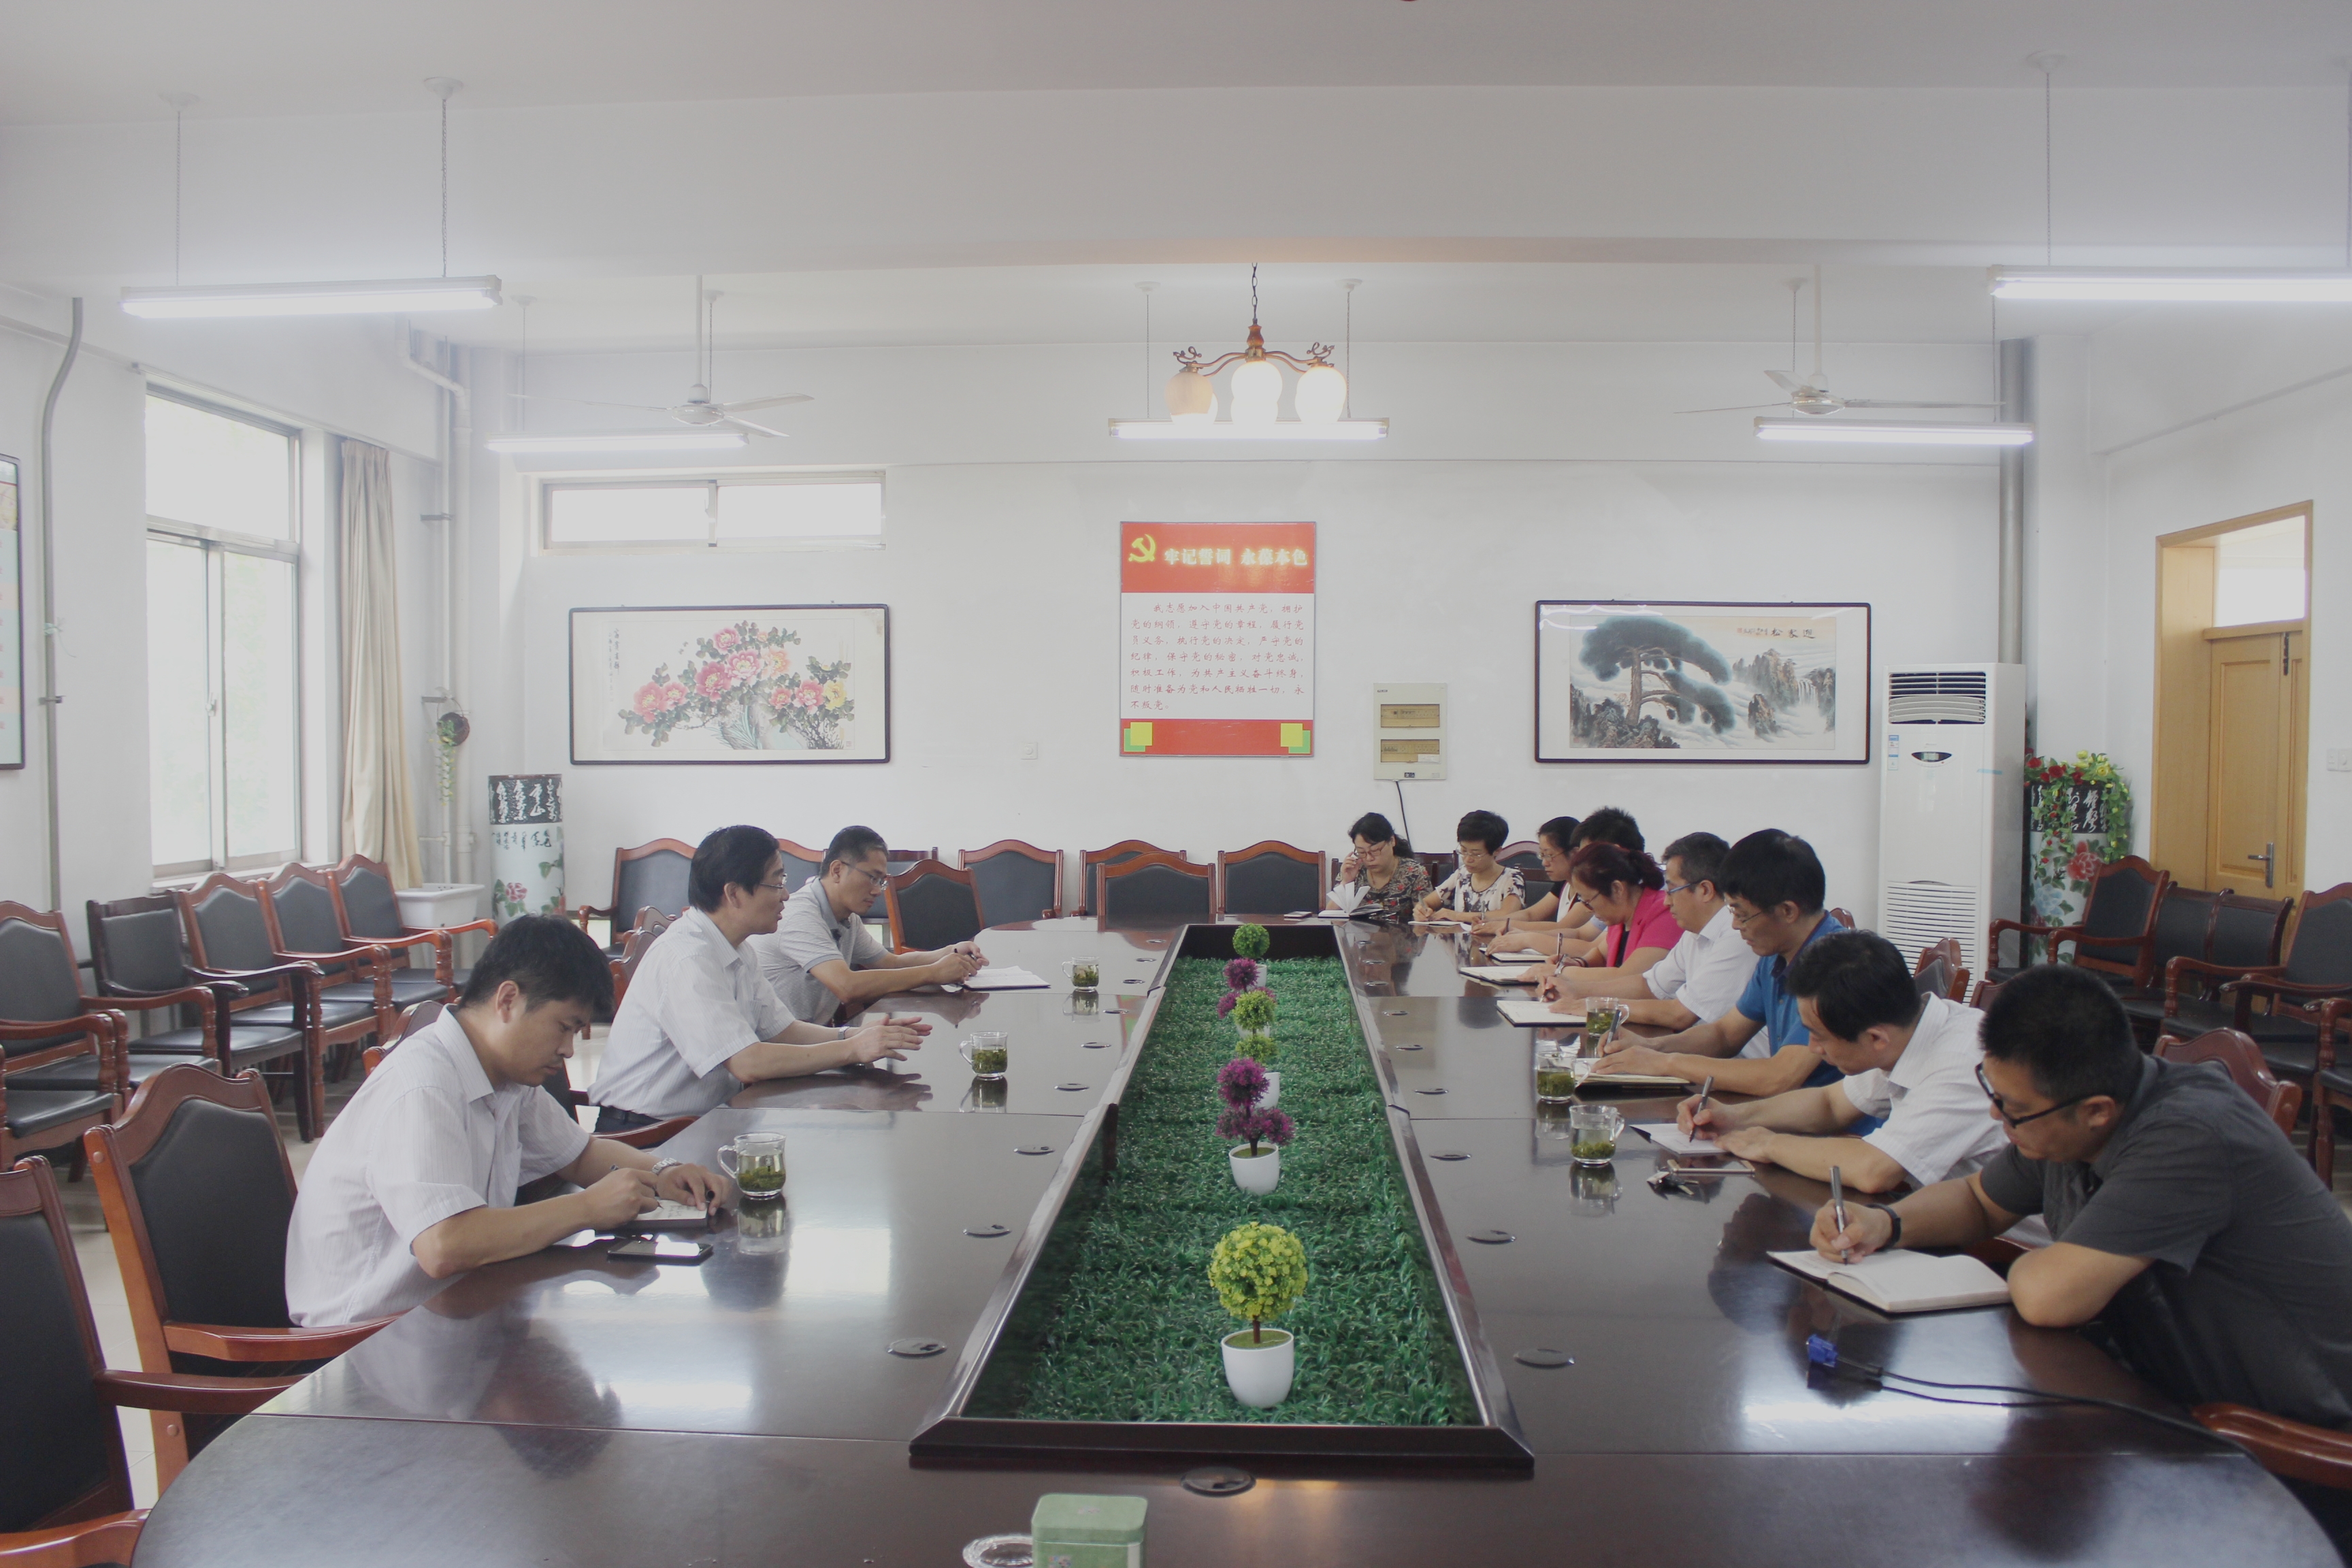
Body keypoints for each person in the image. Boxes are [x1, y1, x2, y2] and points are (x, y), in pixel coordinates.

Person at [1809, 964, 2352, 1434]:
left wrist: (2031, 1267)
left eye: (2013, 1108)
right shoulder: (2069, 1118)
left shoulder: (2189, 1136)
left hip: (2288, 1437)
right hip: (2168, 1394)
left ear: (2096, 1111)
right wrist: (1884, 1223)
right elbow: (1979, 1200)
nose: (1997, 1115)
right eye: (1993, 1092)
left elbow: (2051, 1297)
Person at [285, 915, 726, 1328]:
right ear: (508, 1000)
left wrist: (665, 1171)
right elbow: (443, 1245)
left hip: (453, 1308)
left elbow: (580, 1155)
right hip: (365, 1340)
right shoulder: (423, 1088)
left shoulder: (504, 1077)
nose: (569, 1050)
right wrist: (586, 1209)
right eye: (564, 1027)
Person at [592, 826, 928, 1126]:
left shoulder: (738, 948)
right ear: (734, 893)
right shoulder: (689, 959)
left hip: (710, 1119)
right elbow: (747, 1063)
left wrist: (852, 1035)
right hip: (648, 1133)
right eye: (777, 883)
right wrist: (852, 1050)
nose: (786, 895)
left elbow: (784, 1031)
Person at [1676, 930, 2004, 1190]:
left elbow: (1875, 1169)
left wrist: (1769, 1144)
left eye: (1819, 1036)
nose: (1813, 1048)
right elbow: (1831, 1105)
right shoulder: (1905, 1030)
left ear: (1875, 1039)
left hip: (2002, 1247)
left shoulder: (1961, 1063)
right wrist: (1734, 1117)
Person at [1589, 829, 1844, 1095]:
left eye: (1742, 915)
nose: (1735, 925)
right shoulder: (1775, 955)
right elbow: (1725, 1034)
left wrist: (1666, 1063)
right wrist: (1650, 1047)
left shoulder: (1836, 966)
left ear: (1787, 911)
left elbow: (1779, 1077)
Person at [749, 825, 985, 1025]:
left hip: (812, 1039)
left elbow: (890, 963)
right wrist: (934, 973)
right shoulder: (800, 916)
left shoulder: (846, 917)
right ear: (837, 870)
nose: (877, 891)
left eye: (881, 881)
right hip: (783, 1048)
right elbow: (847, 986)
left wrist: (950, 952)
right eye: (872, 878)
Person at [1539, 831, 1750, 1030]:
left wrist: (1596, 1005)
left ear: (1705, 890)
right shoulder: (1693, 933)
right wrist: (1575, 991)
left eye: (1672, 890)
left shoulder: (1735, 936)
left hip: (1728, 1055)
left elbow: (1680, 1014)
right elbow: (1648, 985)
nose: (1667, 901)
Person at [1535, 841, 1679, 999]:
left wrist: (1561, 972)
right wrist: (1579, 963)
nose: (1590, 910)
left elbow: (1627, 977)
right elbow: (1601, 954)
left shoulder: (1665, 913)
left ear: (1617, 889)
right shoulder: (1621, 916)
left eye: (1589, 901)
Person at [1416, 808, 1524, 924]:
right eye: (1464, 851)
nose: (1468, 859)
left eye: (1476, 854)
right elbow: (1427, 902)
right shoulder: (1462, 874)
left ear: (1497, 851)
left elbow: (1508, 914)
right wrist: (1421, 910)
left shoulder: (1512, 879)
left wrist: (1457, 916)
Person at [1326, 811, 1431, 924]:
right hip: (1358, 935)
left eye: (1375, 851)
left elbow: (1424, 917)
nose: (1369, 858)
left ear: (1392, 841)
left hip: (1401, 935)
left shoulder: (1413, 873)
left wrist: (1422, 914)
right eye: (1362, 852)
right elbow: (1330, 915)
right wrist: (1346, 882)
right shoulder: (1355, 869)